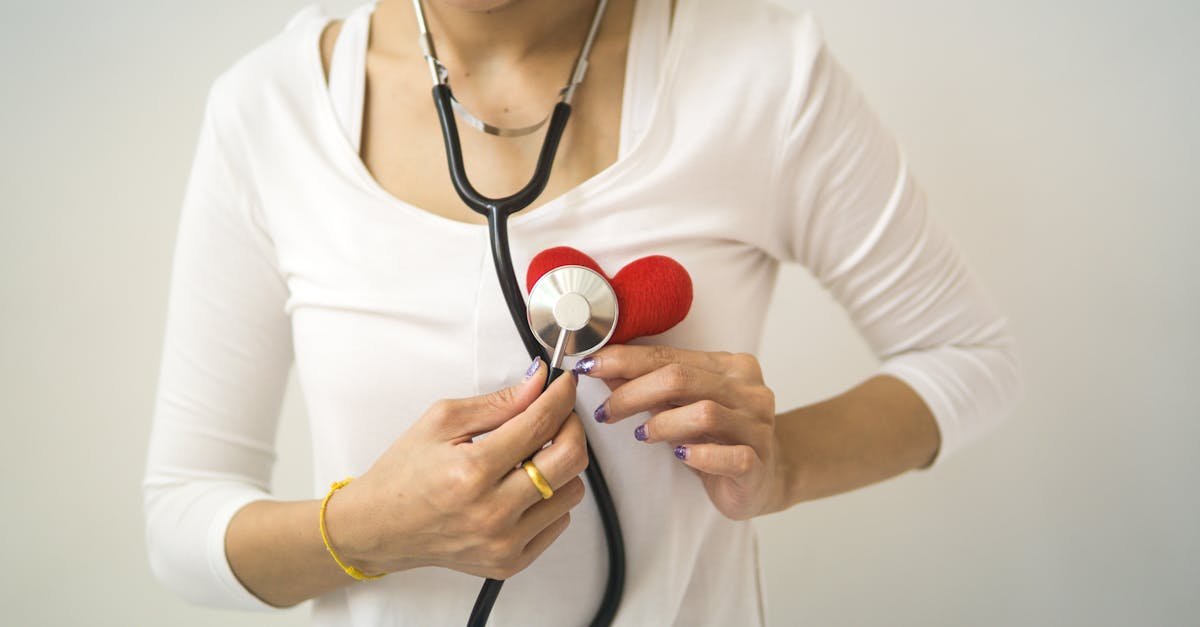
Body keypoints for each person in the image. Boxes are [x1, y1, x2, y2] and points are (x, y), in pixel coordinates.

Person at [142, 0, 1022, 624]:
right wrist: (371, 529)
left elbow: (967, 357)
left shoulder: (762, 73)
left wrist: (782, 463)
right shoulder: (269, 111)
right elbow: (180, 519)